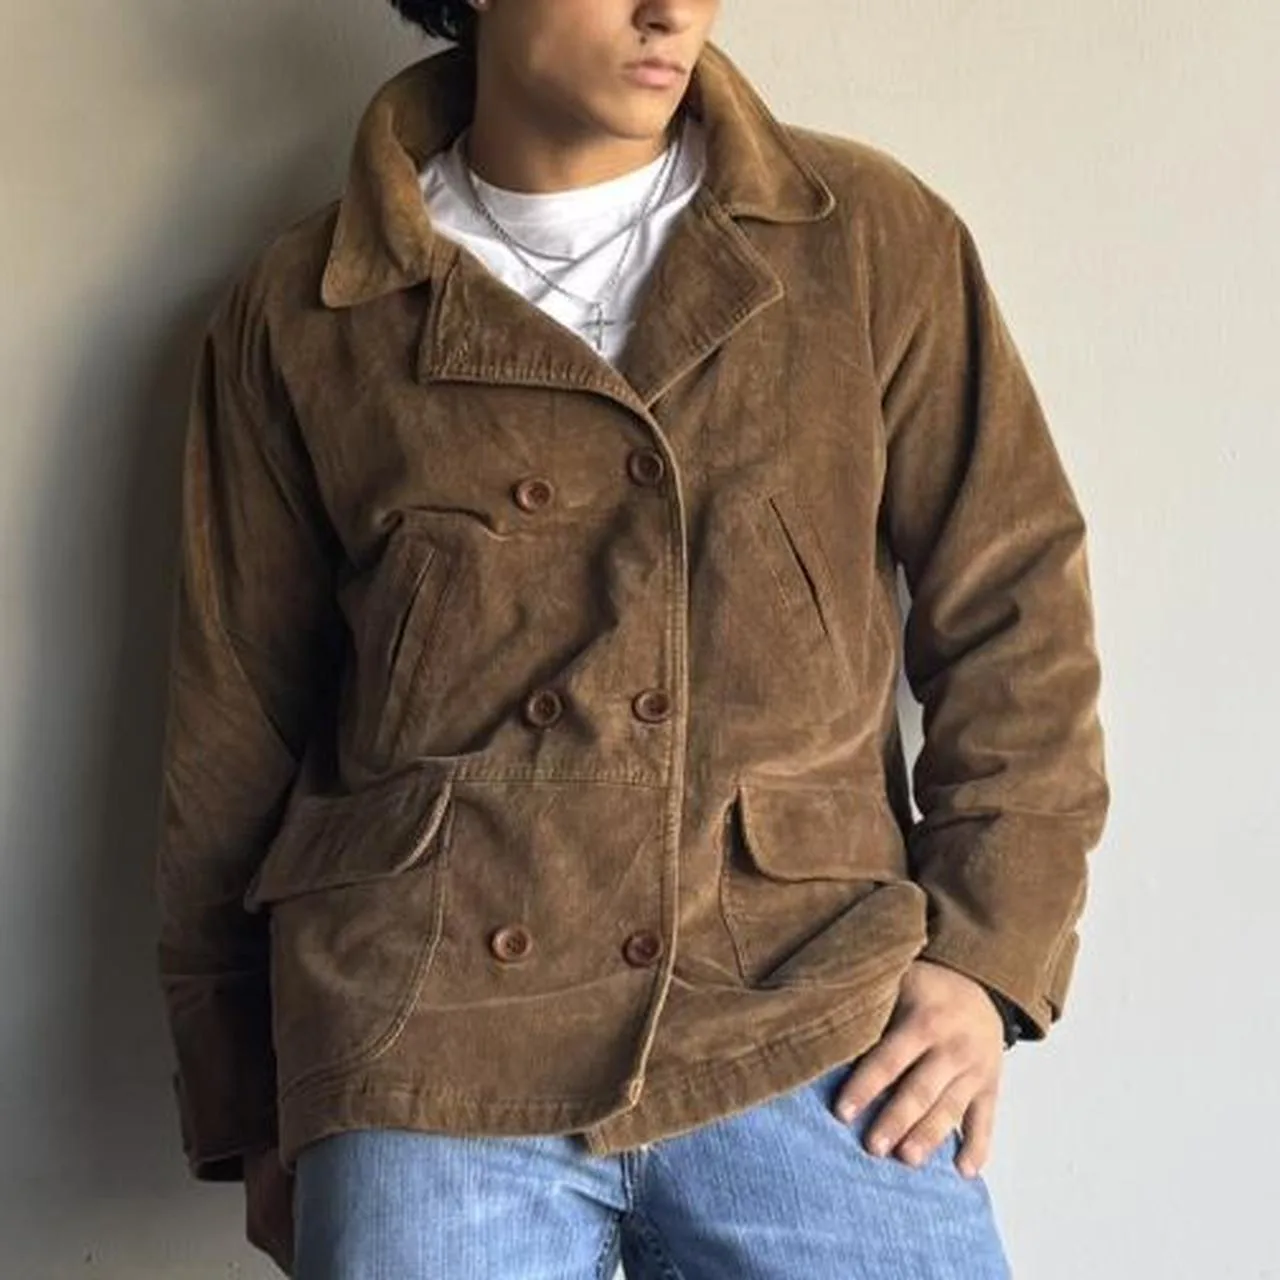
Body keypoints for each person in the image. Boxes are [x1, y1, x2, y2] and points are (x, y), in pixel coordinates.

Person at [153, 1, 1111, 1275]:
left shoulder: (864, 238)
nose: (669, 10)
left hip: (810, 1004)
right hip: (426, 1040)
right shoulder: (305, 309)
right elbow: (232, 724)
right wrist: (249, 1095)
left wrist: (986, 954)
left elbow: (1016, 609)